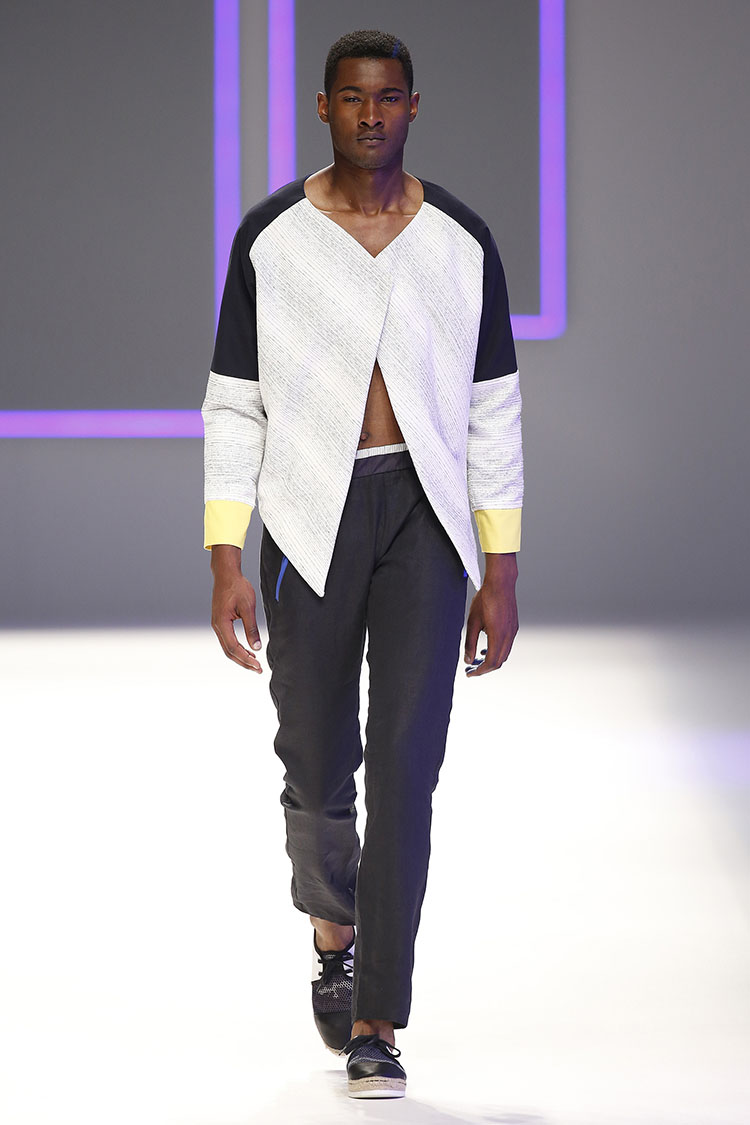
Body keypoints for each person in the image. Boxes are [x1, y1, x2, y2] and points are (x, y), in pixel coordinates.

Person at [201, 28, 523, 1100]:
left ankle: (378, 1015)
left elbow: (491, 408)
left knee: (407, 766)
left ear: (413, 108)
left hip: (422, 515)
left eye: (388, 98)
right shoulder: (273, 238)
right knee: (315, 757)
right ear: (325, 108)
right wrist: (225, 554)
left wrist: (500, 568)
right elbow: (234, 402)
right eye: (352, 97)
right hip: (308, 513)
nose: (371, 115)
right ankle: (332, 926)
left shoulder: (461, 241)